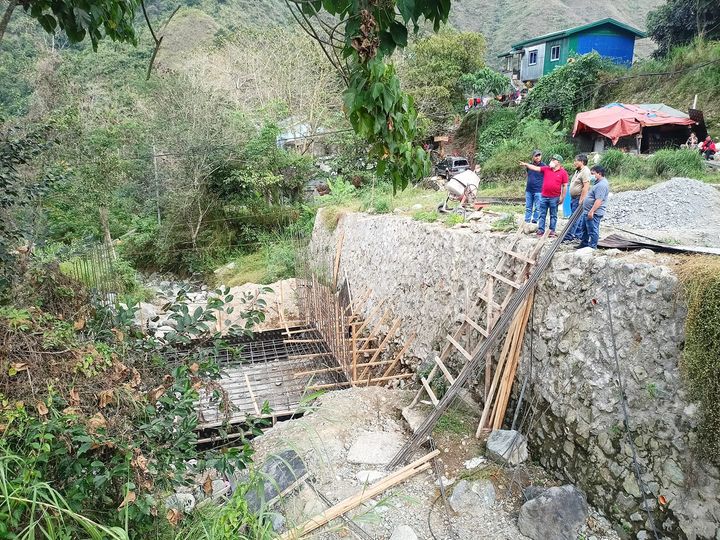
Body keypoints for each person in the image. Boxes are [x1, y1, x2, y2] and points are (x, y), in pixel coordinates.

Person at [519, 154, 568, 238]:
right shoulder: (546, 169)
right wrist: (526, 164)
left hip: (554, 197)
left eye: (553, 160)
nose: (551, 161)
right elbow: (535, 168)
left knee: (553, 215)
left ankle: (552, 231)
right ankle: (541, 230)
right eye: (551, 159)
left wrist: (562, 197)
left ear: (558, 162)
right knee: (542, 214)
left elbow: (564, 186)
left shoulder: (563, 173)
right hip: (544, 196)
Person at [579, 165, 610, 250]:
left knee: (592, 230)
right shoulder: (597, 183)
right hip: (587, 211)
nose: (591, 176)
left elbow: (598, 200)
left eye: (593, 174)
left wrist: (592, 211)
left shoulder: (602, 185)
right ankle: (584, 244)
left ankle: (592, 247)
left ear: (599, 174)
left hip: (594, 212)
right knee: (585, 228)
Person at [565, 154, 591, 241]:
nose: (574, 163)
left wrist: (582, 199)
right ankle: (578, 234)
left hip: (579, 198)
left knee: (574, 217)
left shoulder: (585, 171)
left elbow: (586, 186)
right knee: (577, 217)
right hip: (574, 198)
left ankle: (568, 235)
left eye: (576, 161)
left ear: (582, 162)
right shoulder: (578, 171)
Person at [523, 150, 545, 224]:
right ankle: (527, 221)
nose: (538, 157)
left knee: (538, 208)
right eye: (536, 155)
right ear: (533, 157)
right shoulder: (529, 166)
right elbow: (528, 174)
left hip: (539, 190)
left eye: (539, 155)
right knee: (528, 207)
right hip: (529, 189)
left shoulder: (544, 166)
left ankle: (535, 221)